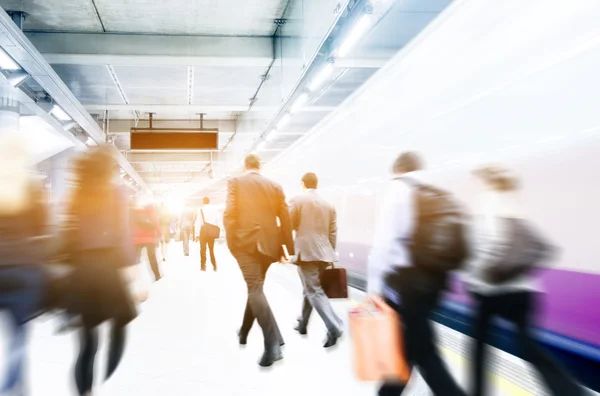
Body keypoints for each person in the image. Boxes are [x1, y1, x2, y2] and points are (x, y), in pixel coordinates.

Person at [468, 165, 582, 396]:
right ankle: (569, 391)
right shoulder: (515, 205)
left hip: (492, 291)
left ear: (488, 183)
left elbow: (484, 245)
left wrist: (475, 280)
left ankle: (477, 392)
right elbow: (539, 247)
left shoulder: (487, 204)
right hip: (524, 290)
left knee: (479, 347)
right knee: (528, 345)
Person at [368, 152, 467, 396]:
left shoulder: (398, 192)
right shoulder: (433, 193)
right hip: (432, 285)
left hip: (405, 288)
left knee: (422, 354)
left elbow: (382, 246)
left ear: (397, 169)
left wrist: (373, 291)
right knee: (413, 350)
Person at [62, 146, 138, 396]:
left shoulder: (77, 192)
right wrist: (132, 267)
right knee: (120, 323)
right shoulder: (117, 192)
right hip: (108, 270)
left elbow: (67, 235)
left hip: (82, 273)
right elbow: (124, 234)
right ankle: (110, 366)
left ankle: (85, 391)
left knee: (87, 343)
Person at [223, 153, 294, 367]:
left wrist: (231, 243)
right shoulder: (275, 186)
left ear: (245, 166)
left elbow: (229, 214)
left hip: (245, 244)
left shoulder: (235, 182)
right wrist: (286, 248)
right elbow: (285, 218)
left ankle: (272, 344)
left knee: (255, 289)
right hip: (269, 247)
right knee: (256, 289)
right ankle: (244, 332)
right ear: (259, 166)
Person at [0, 131, 50, 396]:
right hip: (23, 269)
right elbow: (42, 227)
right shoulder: (30, 187)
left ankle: (14, 388)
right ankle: (11, 387)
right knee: (19, 336)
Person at [289, 172, 343, 347]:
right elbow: (333, 232)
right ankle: (303, 324)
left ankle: (334, 326)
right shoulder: (329, 204)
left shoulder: (297, 199)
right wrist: (329, 254)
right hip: (324, 253)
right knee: (310, 289)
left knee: (314, 290)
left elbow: (289, 224)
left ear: (303, 183)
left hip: (306, 253)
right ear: (316, 184)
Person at [132, 201, 162, 281]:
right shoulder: (151, 212)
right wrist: (160, 234)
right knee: (152, 257)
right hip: (150, 239)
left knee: (135, 258)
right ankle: (157, 276)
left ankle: (134, 277)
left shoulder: (136, 213)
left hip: (137, 239)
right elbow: (156, 223)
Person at [196, 196, 219, 271]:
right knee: (211, 249)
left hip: (203, 231)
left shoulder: (201, 210)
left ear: (203, 202)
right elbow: (216, 220)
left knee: (202, 249)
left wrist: (196, 234)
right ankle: (214, 265)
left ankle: (203, 266)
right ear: (209, 201)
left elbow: (198, 222)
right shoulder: (214, 210)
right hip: (211, 232)